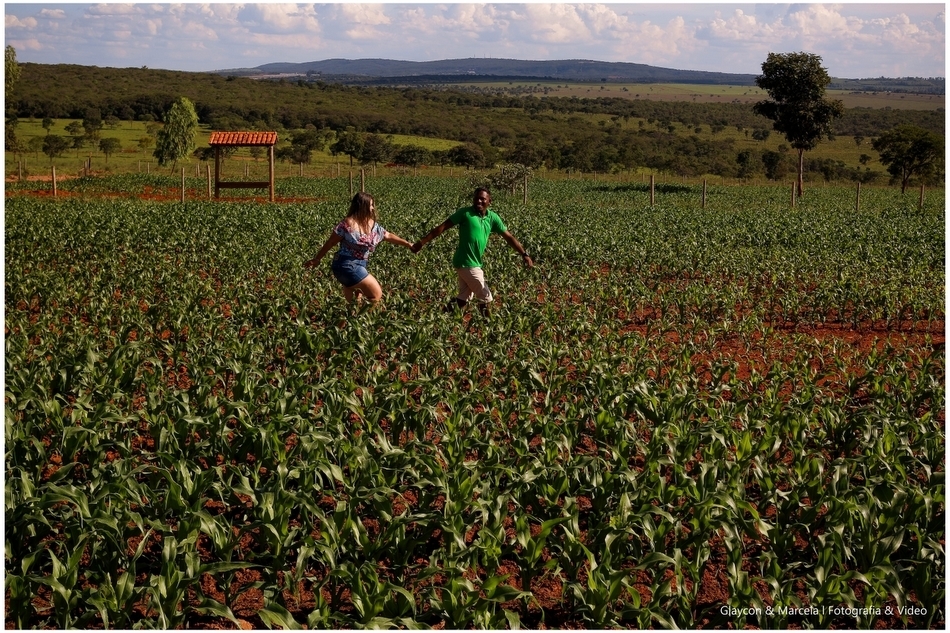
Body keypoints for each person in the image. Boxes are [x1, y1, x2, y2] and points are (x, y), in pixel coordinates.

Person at [412, 187, 533, 314]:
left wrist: (524, 253)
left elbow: (508, 237)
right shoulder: (465, 213)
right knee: (486, 297)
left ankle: (440, 319)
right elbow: (442, 227)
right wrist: (422, 242)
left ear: (489, 201)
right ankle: (490, 329)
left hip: (473, 262)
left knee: (463, 298)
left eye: (482, 199)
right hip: (467, 262)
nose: (479, 201)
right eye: (476, 198)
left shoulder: (492, 218)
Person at [304, 192, 413, 306]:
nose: (373, 208)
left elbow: (388, 235)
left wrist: (408, 244)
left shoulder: (372, 224)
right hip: (347, 265)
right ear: (363, 206)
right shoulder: (347, 224)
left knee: (353, 304)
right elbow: (331, 242)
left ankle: (346, 323)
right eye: (371, 205)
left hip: (355, 266)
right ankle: (366, 322)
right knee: (376, 295)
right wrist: (317, 259)